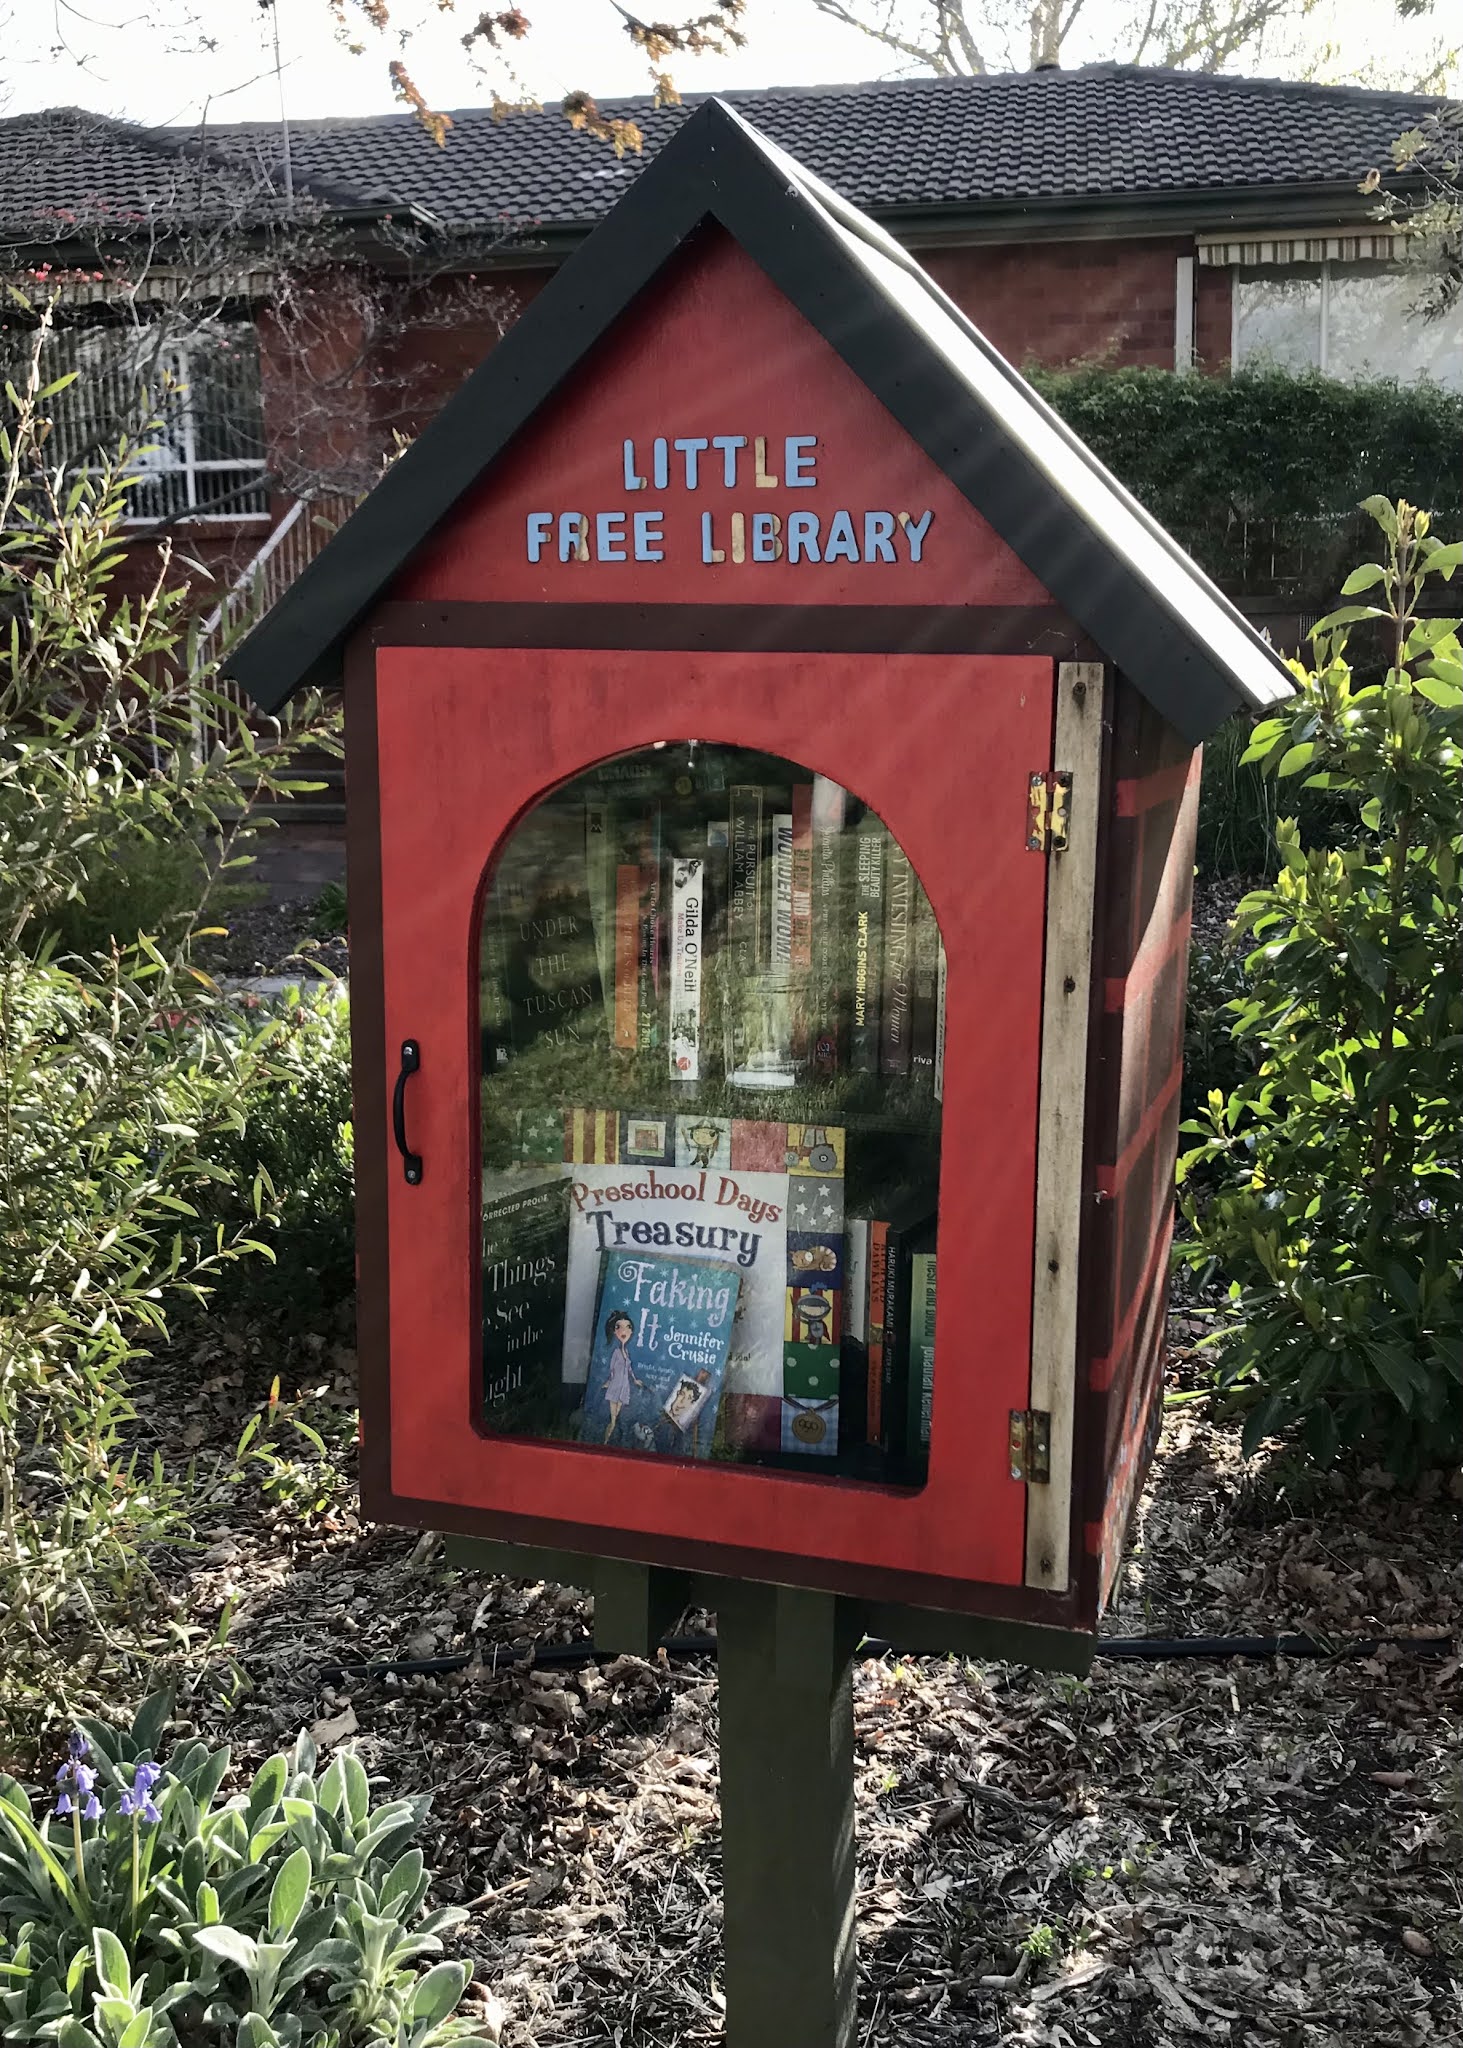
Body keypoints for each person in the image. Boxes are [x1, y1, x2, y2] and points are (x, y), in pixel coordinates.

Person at [601, 1310, 643, 1443]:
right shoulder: (616, 1352)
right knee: (613, 1419)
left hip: (624, 1386)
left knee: (617, 1417)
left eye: (628, 1327)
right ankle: (605, 1442)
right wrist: (608, 1381)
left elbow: (629, 1369)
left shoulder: (627, 1352)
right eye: (619, 1327)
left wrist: (635, 1380)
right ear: (614, 1331)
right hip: (615, 1385)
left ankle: (609, 1441)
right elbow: (612, 1369)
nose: (624, 1331)